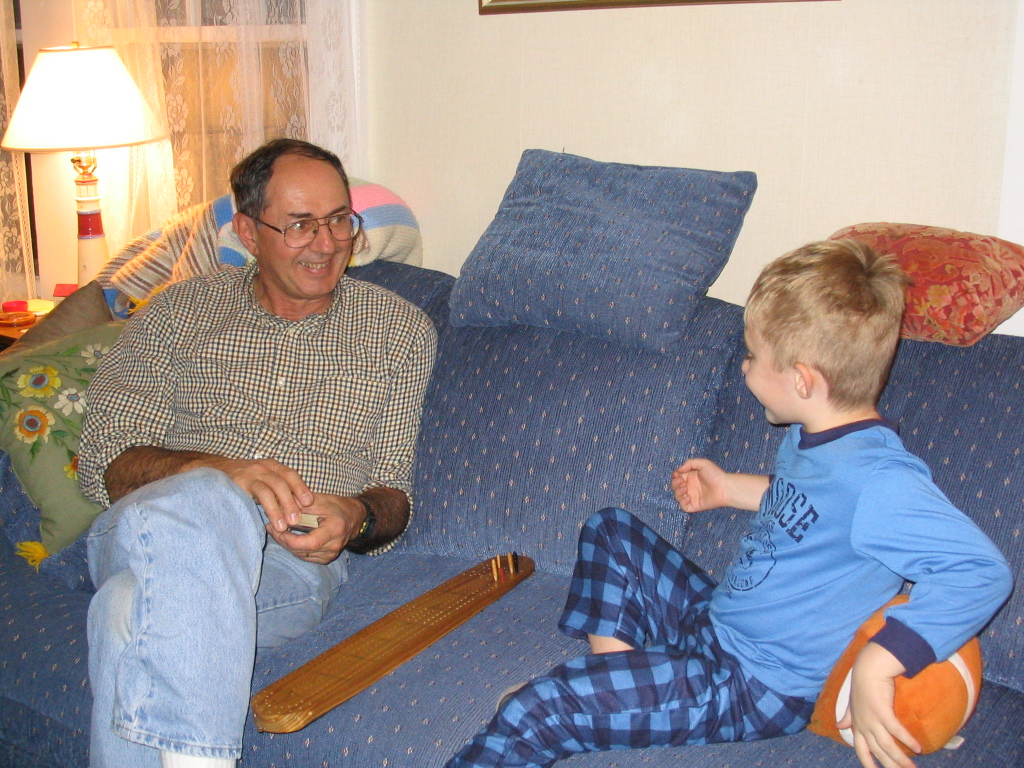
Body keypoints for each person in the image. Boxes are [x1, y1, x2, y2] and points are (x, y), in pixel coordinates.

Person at [446, 239, 1012, 768]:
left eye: (753, 355)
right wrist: (730, 489)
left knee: (538, 708)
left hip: (754, 683)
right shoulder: (816, 436)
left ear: (803, 380)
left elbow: (979, 571)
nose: (743, 366)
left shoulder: (882, 481)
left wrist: (877, 664)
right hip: (716, 621)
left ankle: (598, 701)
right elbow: (805, 506)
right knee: (610, 530)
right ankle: (617, 689)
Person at [78, 138, 438, 768]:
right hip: (149, 529)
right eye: (300, 224)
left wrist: (355, 515)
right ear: (248, 231)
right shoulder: (177, 314)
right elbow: (106, 461)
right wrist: (220, 474)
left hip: (288, 561)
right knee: (206, 496)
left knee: (122, 611)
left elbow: (393, 491)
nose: (327, 244)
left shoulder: (398, 331)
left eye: (339, 220)